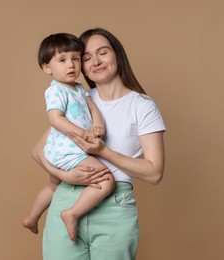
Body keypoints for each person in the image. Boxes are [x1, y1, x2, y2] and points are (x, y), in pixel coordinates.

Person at [32, 28, 166, 260]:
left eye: (103, 52)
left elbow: (154, 172)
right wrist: (65, 177)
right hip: (66, 200)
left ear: (117, 55)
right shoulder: (77, 97)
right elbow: (37, 151)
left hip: (114, 205)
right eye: (86, 57)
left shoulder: (142, 105)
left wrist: (104, 151)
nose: (96, 61)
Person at [22, 33, 115, 241]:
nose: (71, 65)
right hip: (68, 150)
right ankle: (72, 213)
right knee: (107, 179)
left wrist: (98, 124)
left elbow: (93, 109)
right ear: (48, 68)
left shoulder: (80, 88)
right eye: (62, 60)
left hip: (62, 149)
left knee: (53, 186)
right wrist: (84, 133)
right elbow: (55, 119)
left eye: (75, 58)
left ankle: (32, 217)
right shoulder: (56, 90)